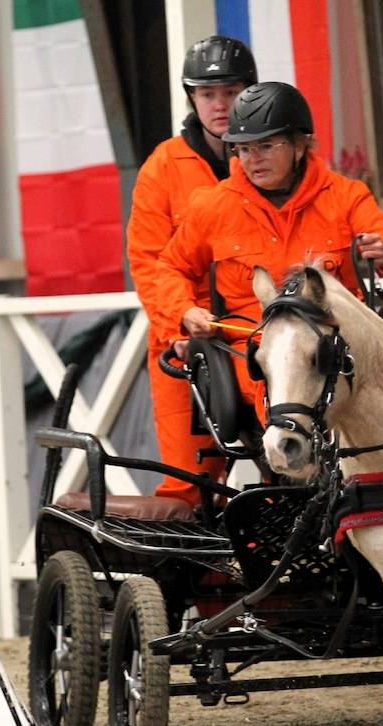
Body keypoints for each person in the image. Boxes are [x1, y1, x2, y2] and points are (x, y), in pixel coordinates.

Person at [146, 81, 383, 505]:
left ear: (299, 145)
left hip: (339, 345)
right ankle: (308, 490)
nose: (253, 159)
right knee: (286, 383)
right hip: (254, 348)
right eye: (243, 149)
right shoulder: (213, 206)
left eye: (266, 146)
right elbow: (168, 268)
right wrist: (184, 312)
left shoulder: (346, 196)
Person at [126, 35, 256, 506]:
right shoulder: (163, 166)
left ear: (250, 91)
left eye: (231, 92)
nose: (219, 105)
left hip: (255, 336)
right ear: (192, 98)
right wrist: (177, 327)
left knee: (295, 470)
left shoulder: (267, 158)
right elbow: (147, 262)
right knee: (188, 486)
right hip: (185, 340)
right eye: (207, 94)